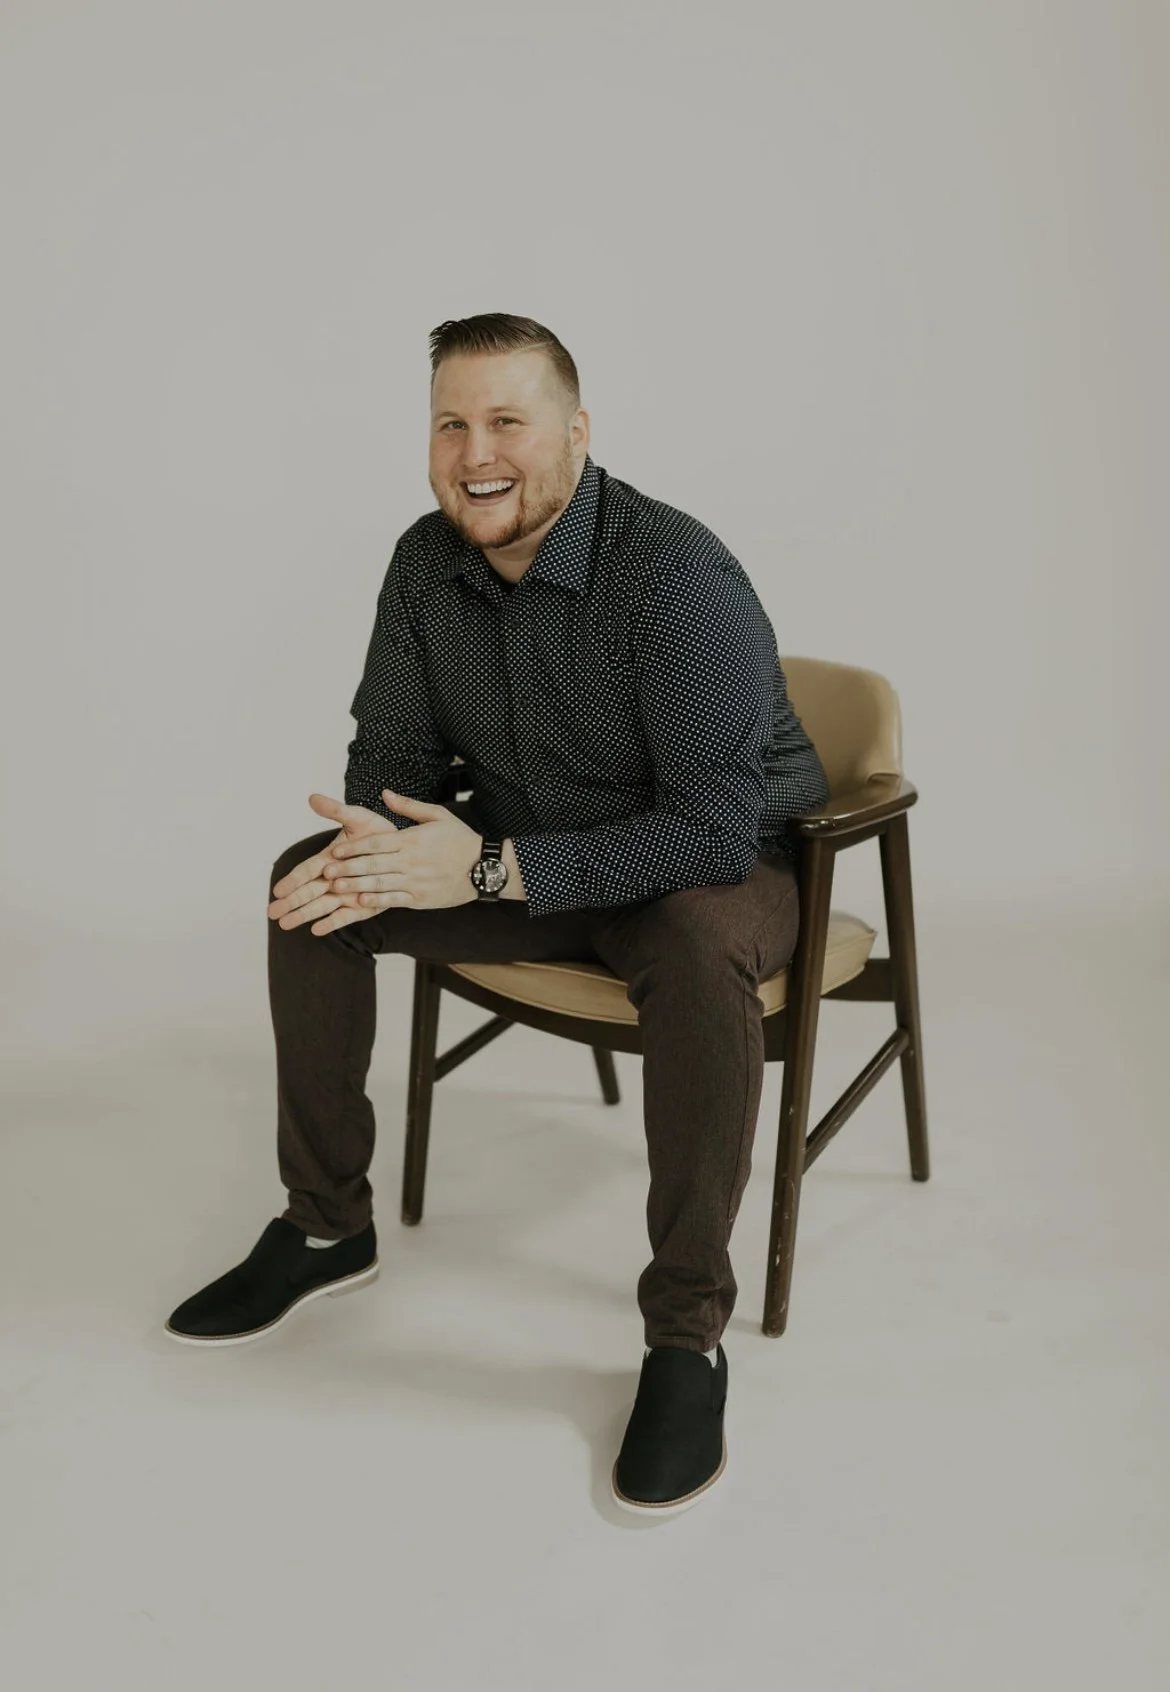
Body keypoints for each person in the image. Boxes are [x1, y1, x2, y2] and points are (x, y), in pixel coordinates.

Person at [165, 313, 831, 1517]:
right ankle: (325, 1228)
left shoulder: (673, 576)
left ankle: (686, 1335)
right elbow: (394, 753)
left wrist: (482, 872)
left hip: (710, 877)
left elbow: (709, 832)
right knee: (314, 883)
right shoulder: (428, 563)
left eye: (508, 422)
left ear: (576, 433)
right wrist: (381, 841)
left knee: (687, 938)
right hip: (520, 859)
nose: (478, 452)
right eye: (452, 423)